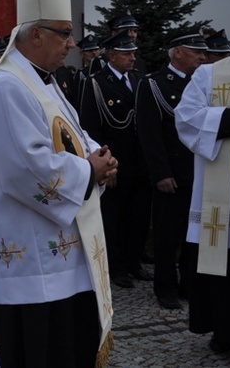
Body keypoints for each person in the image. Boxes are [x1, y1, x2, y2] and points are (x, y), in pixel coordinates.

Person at [0, 0, 116, 367]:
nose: (71, 43)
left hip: (61, 255)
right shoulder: (7, 88)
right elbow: (28, 169)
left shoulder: (43, 81)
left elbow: (76, 137)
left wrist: (101, 160)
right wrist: (91, 170)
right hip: (31, 263)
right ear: (36, 34)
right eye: (65, 33)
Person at [175, 34, 230, 354]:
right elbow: (185, 118)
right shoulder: (208, 75)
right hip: (226, 198)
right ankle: (227, 333)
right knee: (226, 266)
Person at [135, 33, 207, 310]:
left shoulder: (200, 84)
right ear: (177, 52)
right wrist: (161, 173)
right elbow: (149, 134)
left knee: (194, 232)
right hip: (172, 173)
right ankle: (165, 287)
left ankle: (188, 283)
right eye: (195, 52)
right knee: (167, 233)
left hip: (198, 170)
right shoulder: (153, 84)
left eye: (203, 53)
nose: (202, 57)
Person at [80, 29, 152, 289]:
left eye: (133, 52)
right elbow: (91, 127)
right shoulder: (97, 83)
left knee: (139, 217)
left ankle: (134, 262)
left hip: (141, 162)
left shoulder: (141, 79)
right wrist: (105, 165)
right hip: (115, 162)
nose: (133, 57)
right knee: (115, 218)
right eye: (126, 53)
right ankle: (117, 267)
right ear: (112, 55)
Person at [72, 34, 102, 110]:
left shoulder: (104, 70)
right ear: (82, 54)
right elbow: (77, 97)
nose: (94, 53)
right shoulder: (80, 74)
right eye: (90, 51)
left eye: (96, 50)